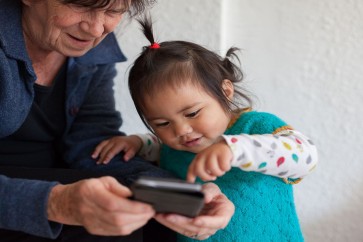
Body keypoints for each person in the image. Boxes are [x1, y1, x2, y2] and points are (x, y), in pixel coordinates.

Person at [0, 0, 235, 241]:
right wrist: (54, 203)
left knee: (158, 217)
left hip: (58, 180)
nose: (95, 29)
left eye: (113, 11)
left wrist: (185, 195)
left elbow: (92, 147)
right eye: (81, 5)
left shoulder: (92, 50)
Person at [93, 16, 319, 241]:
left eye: (192, 113)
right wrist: (138, 143)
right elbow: (158, 147)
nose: (181, 130)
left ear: (226, 92)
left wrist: (234, 149)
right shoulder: (174, 148)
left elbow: (306, 156)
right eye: (162, 123)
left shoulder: (256, 128)